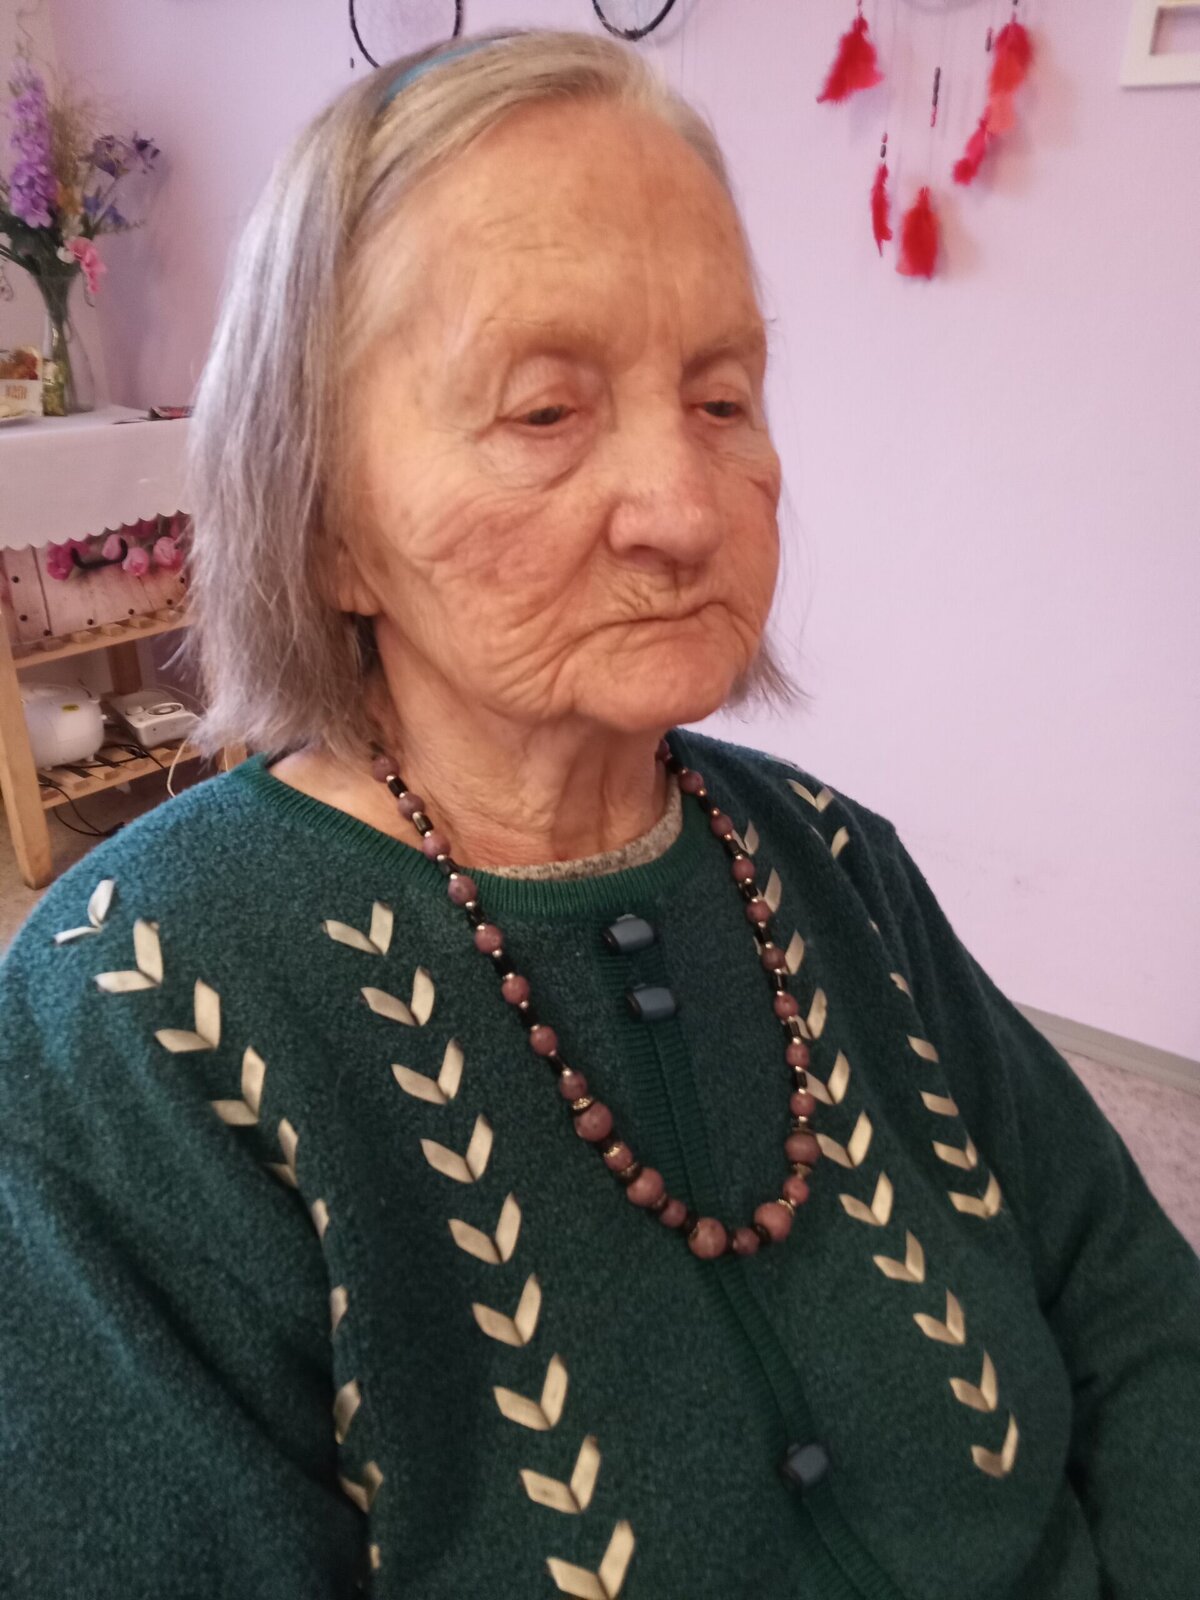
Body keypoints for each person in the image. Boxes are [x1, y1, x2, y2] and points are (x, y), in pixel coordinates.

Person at [0, 29, 1196, 1600]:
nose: (688, 508)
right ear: (328, 520)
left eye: (723, 396)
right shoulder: (133, 1014)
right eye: (545, 412)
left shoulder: (836, 864)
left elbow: (1133, 1310)